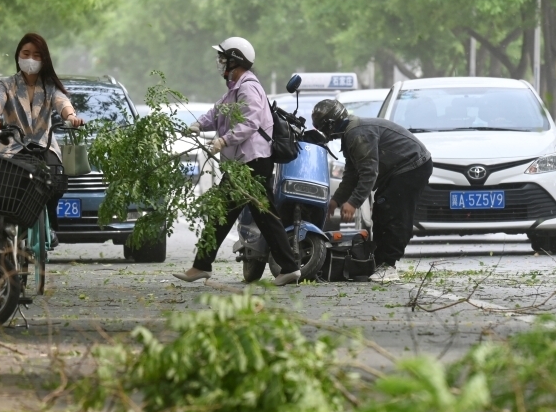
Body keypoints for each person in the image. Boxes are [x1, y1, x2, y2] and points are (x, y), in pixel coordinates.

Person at [172, 37, 301, 285]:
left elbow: (250, 122)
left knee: (238, 213)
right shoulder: (235, 89)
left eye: (224, 59)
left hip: (252, 162)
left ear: (235, 61)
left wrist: (224, 140)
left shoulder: (248, 87)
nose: (220, 64)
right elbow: (217, 111)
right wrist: (198, 124)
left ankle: (202, 266)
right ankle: (288, 266)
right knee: (255, 215)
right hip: (245, 162)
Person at [312, 99, 432, 283]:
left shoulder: (357, 134)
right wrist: (337, 200)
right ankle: (381, 261)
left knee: (393, 213)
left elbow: (369, 172)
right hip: (397, 170)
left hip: (412, 166)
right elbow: (352, 174)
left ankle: (388, 266)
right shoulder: (350, 134)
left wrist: (353, 202)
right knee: (382, 213)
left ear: (330, 123)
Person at [0, 33, 84, 244]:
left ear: (44, 59)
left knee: (56, 179)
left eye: (36, 55)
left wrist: (72, 117)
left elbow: (63, 103)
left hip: (43, 145)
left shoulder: (49, 87)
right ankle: (10, 226)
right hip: (13, 146)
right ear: (18, 56)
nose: (31, 59)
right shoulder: (7, 85)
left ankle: (51, 225)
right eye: (26, 53)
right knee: (9, 185)